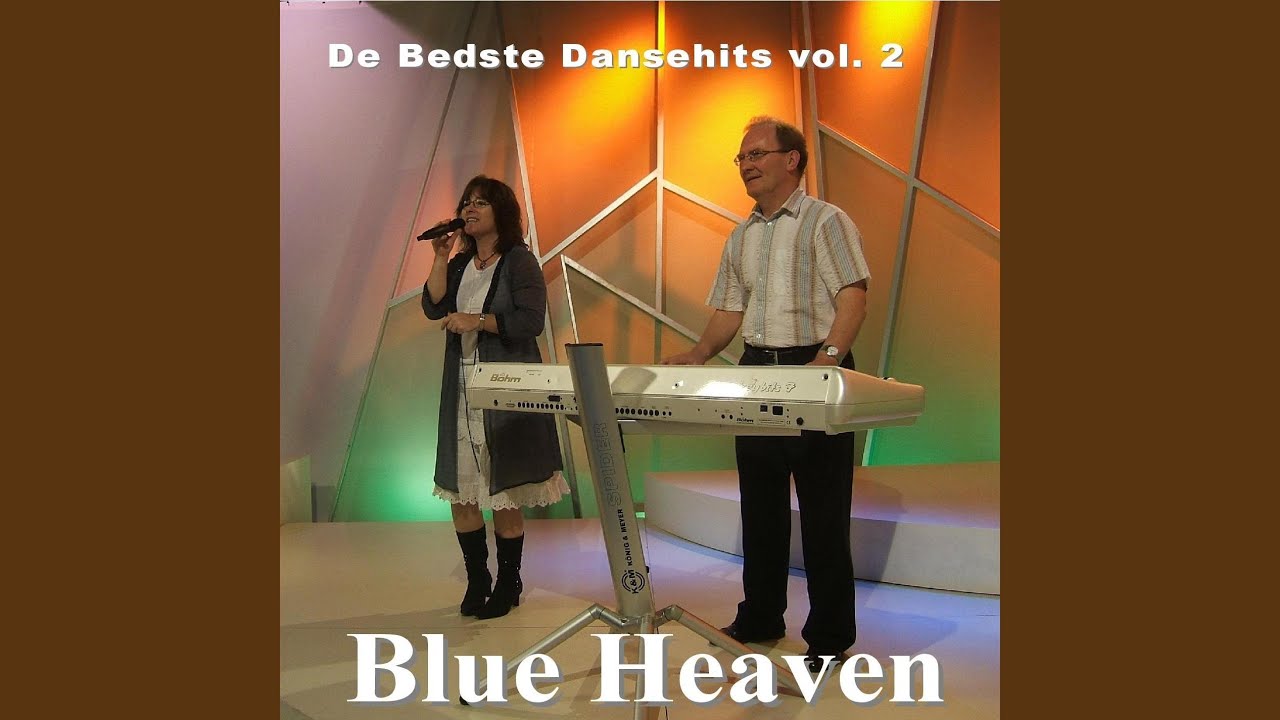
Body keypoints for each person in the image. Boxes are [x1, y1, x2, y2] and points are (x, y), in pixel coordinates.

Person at [663, 117, 870, 672]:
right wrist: (699, 353)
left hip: (816, 367)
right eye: (741, 158)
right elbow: (731, 308)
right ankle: (760, 617)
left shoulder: (827, 221)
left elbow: (852, 295)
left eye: (756, 154)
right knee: (760, 507)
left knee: (824, 512)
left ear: (792, 159)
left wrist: (827, 360)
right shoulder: (742, 235)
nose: (746, 166)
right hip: (756, 371)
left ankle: (829, 636)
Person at [422, 175, 570, 620]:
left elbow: (531, 321)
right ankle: (477, 579)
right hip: (461, 388)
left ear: (500, 211)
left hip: (505, 390)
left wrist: (478, 320)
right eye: (466, 202)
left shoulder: (520, 261)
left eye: (480, 203)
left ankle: (508, 581)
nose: (469, 210)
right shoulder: (460, 263)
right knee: (461, 489)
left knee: (505, 489)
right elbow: (433, 306)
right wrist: (440, 256)